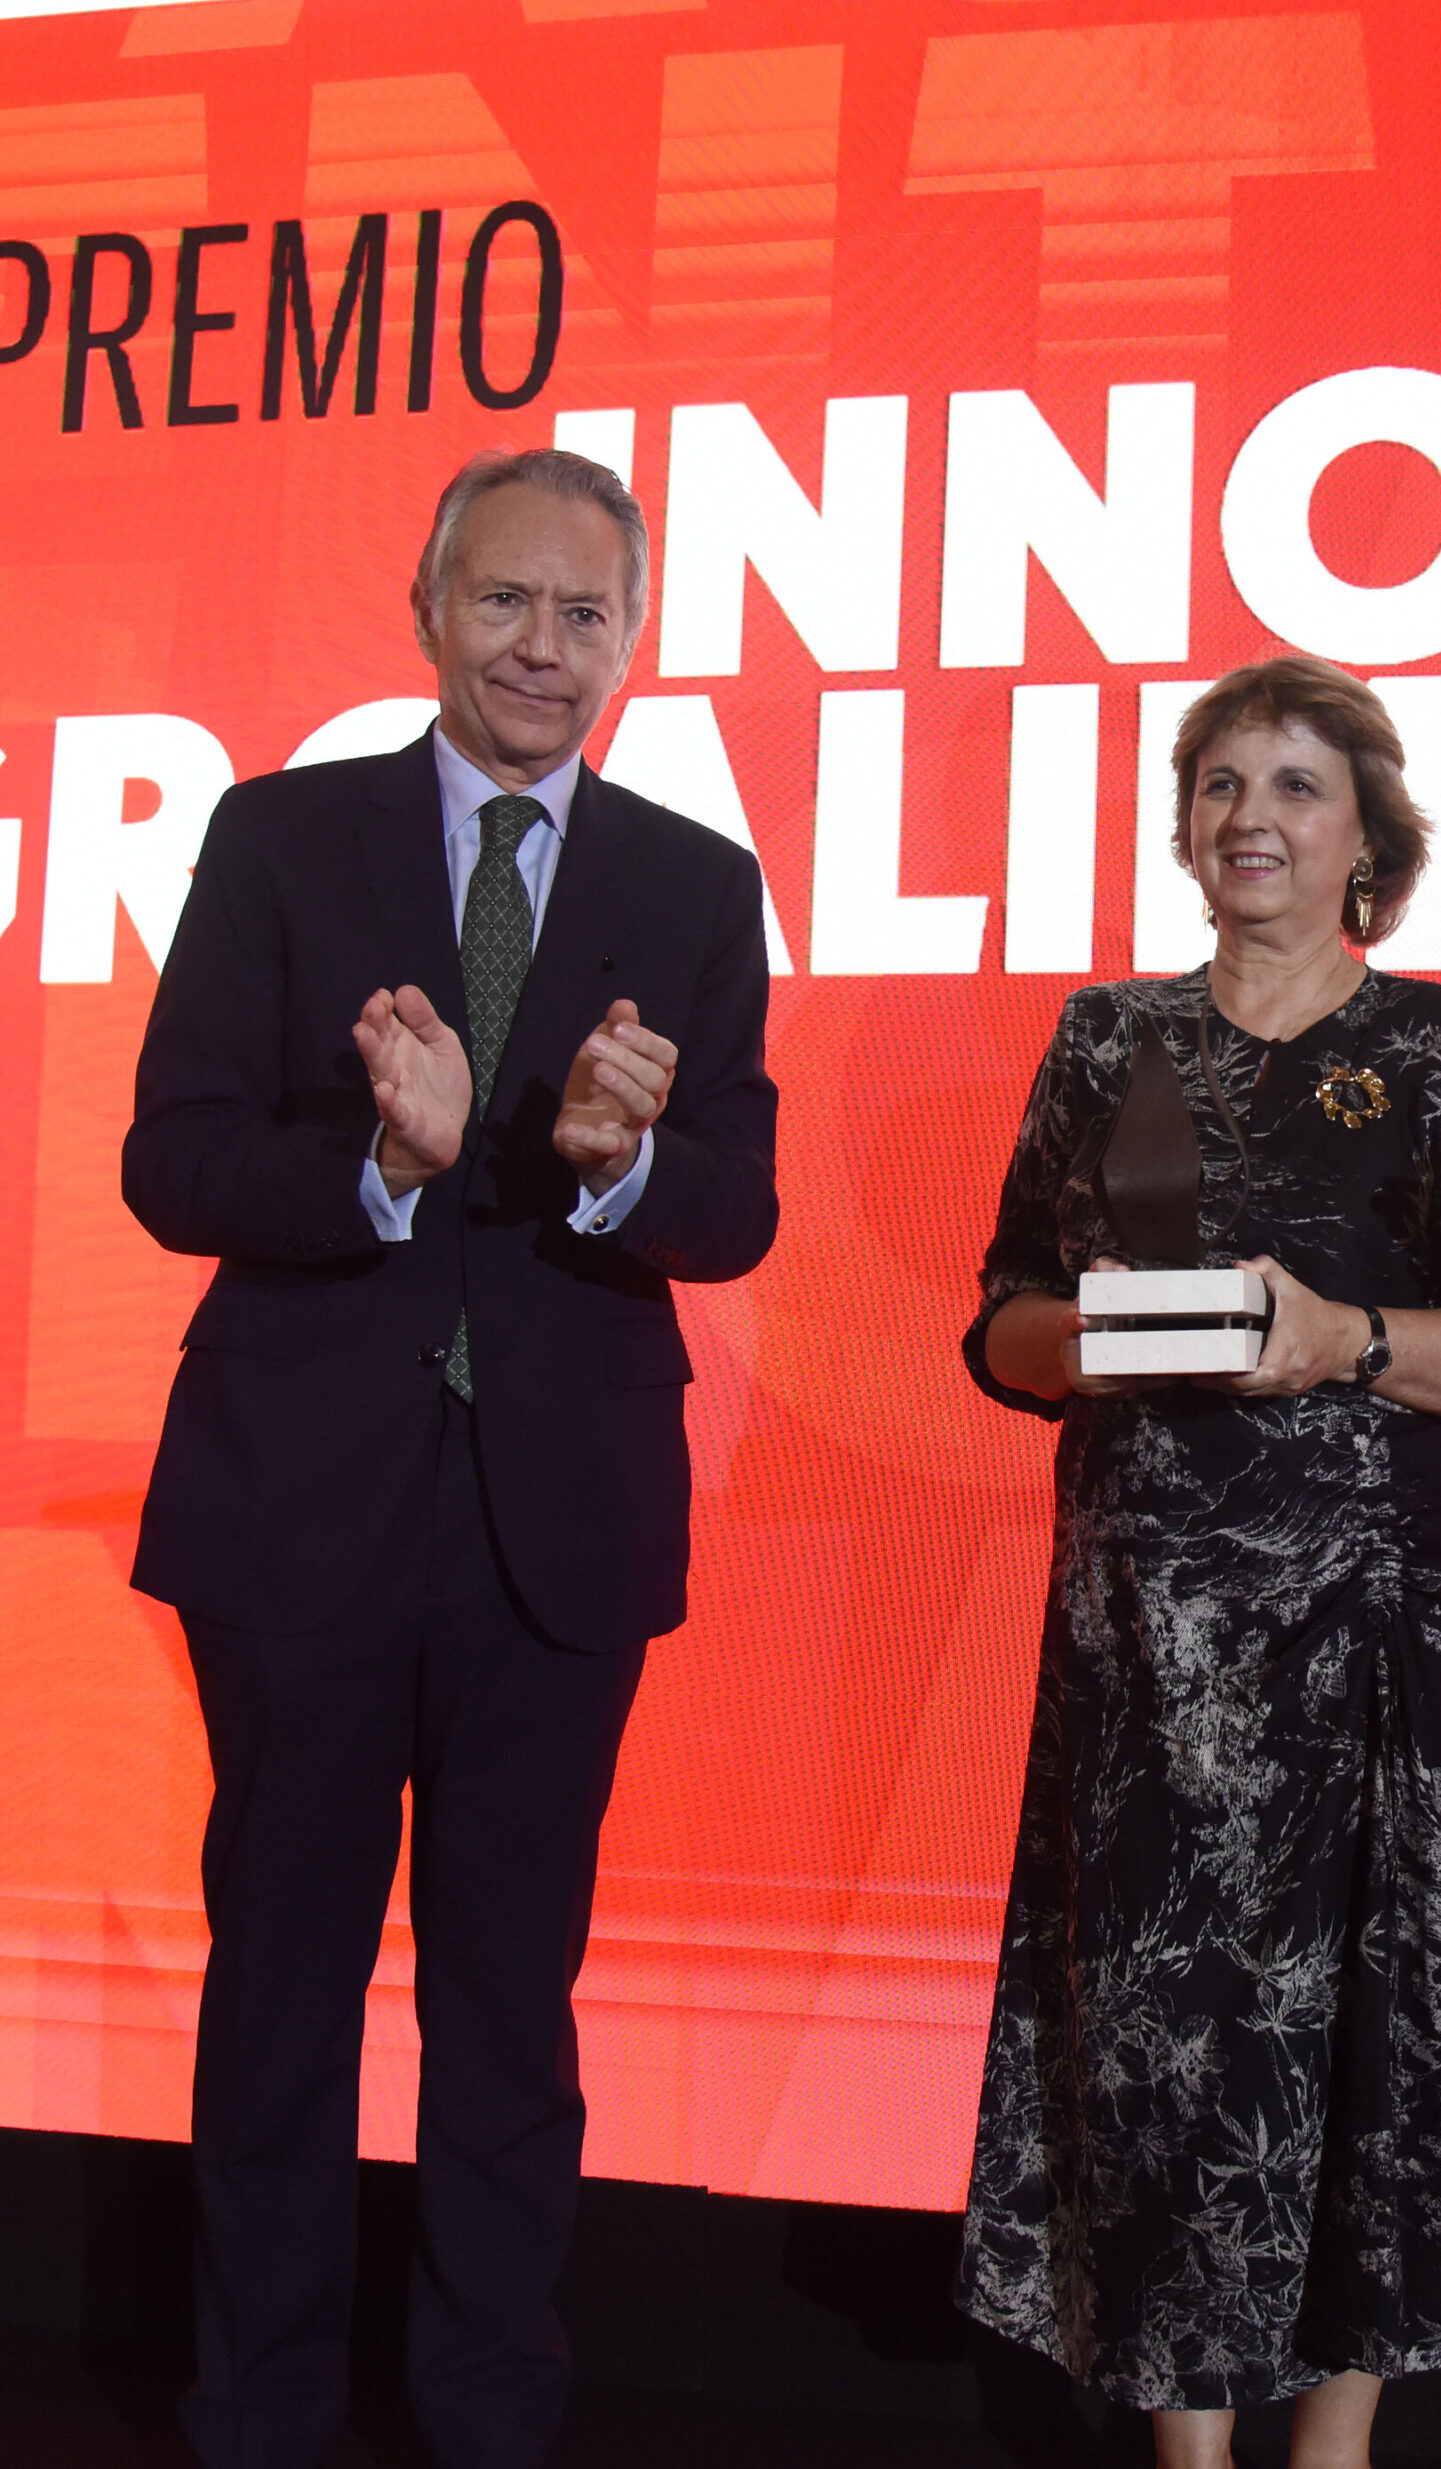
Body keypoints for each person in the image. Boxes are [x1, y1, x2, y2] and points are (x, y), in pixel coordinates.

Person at [123, 447, 780, 2469]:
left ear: (633, 640)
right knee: (281, 1991)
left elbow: (736, 1205)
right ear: (426, 609)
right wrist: (384, 1169)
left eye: (585, 613)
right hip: (297, 1509)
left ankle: (490, 2417)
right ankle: (258, 2415)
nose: (541, 648)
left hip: (555, 1527)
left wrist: (623, 1163)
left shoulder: (694, 882)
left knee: (510, 2004)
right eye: (505, 600)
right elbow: (172, 1158)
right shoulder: (279, 836)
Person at [957, 655, 1441, 2468]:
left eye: (1298, 785)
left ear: (1368, 837)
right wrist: (1087, 1343)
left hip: (1382, 1627)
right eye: (1222, 782)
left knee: (1377, 2021)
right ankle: (1189, 2454)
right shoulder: (1105, 1037)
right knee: (1161, 2028)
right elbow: (1000, 1321)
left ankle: (1334, 2447)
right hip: (1148, 1631)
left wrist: (1340, 1342)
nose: (1253, 817)